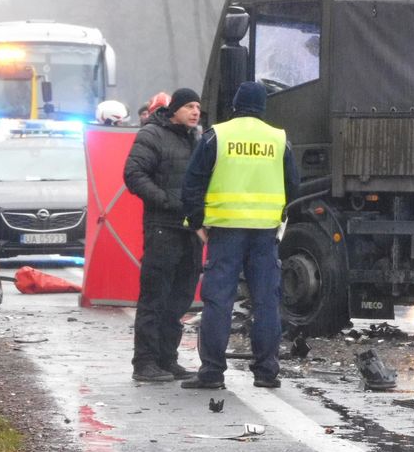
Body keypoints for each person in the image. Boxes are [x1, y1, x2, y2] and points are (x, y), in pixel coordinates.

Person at [180, 81, 300, 390]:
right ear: (263, 107)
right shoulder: (279, 139)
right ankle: (266, 372)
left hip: (224, 230)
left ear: (235, 105)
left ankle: (211, 372)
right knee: (266, 303)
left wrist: (197, 222)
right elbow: (293, 186)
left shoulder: (217, 136)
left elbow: (192, 182)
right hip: (265, 234)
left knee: (218, 301)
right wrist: (280, 218)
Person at [123, 88, 204, 382]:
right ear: (175, 109)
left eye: (198, 107)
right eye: (190, 106)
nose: (196, 111)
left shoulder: (198, 138)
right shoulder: (153, 135)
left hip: (190, 230)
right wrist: (166, 201)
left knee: (180, 299)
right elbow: (134, 174)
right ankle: (144, 363)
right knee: (154, 298)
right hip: (162, 227)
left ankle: (167, 359)